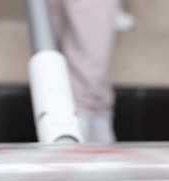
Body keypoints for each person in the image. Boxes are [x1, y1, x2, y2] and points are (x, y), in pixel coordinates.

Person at [48, 0, 120, 143]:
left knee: (88, 39)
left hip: (81, 114)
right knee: (56, 36)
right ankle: (91, 121)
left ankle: (83, 122)